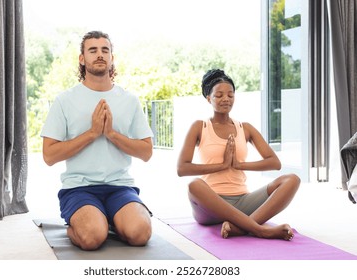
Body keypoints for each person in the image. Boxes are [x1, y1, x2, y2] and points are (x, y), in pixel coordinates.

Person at [41, 31, 154, 250]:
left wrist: (111, 134)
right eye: (92, 50)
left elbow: (146, 152)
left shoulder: (130, 100)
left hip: (120, 187)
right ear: (82, 59)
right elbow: (49, 155)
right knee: (92, 237)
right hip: (79, 188)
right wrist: (92, 133)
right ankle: (89, 222)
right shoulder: (65, 100)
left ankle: (112, 218)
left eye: (105, 50)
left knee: (140, 234)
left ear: (112, 57)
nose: (99, 54)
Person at [177, 69, 300, 241]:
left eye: (230, 94)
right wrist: (222, 165)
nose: (225, 99)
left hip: (242, 201)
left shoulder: (245, 128)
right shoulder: (199, 127)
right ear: (208, 98)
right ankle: (261, 230)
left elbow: (274, 163)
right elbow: (182, 168)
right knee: (194, 185)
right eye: (219, 95)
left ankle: (241, 228)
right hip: (210, 205)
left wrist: (239, 165)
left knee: (292, 179)